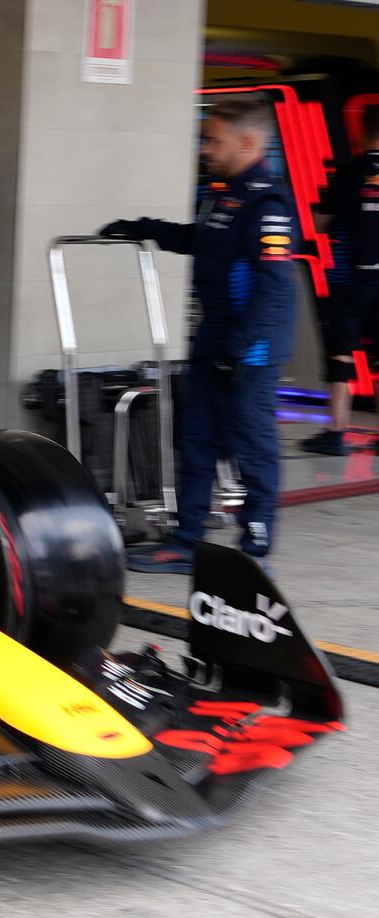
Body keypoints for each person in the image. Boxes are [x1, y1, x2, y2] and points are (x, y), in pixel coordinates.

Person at [101, 99, 298, 572]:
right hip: (215, 335)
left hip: (252, 345)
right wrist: (143, 229)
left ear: (247, 143)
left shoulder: (268, 203)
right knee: (198, 438)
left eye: (213, 140)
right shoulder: (223, 193)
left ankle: (255, 550)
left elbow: (272, 291)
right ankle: (187, 542)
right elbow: (201, 239)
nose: (204, 147)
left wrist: (238, 351)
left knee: (252, 444)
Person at [303, 104, 379, 457]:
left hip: (349, 278)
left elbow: (319, 223)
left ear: (363, 132)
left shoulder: (350, 172)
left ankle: (336, 433)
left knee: (341, 353)